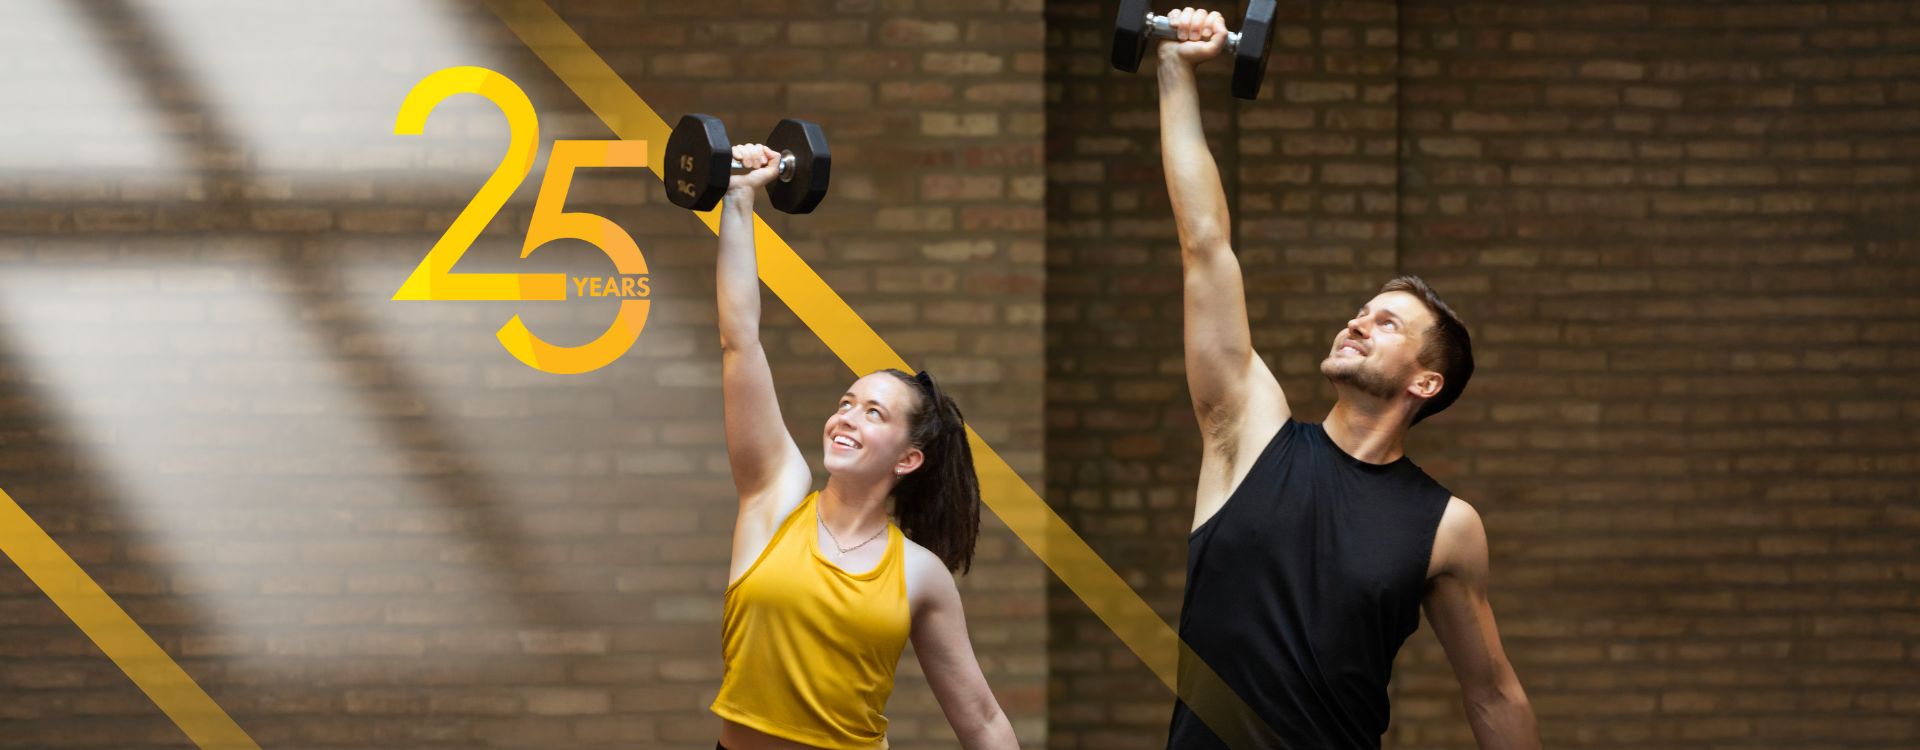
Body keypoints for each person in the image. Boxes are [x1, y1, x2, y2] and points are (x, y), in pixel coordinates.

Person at [1153, 9, 1542, 749]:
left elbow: (1492, 691)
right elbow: (1205, 245)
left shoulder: (1447, 527)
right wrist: (1174, 68)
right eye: (1361, 311)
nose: (1357, 323)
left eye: (1388, 323)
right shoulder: (1248, 431)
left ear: (1425, 384)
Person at [706, 143, 1020, 750]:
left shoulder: (920, 576)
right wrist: (740, 199)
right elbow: (740, 341)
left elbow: (981, 720)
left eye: (872, 412)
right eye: (846, 403)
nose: (844, 417)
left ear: (908, 459)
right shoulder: (774, 498)